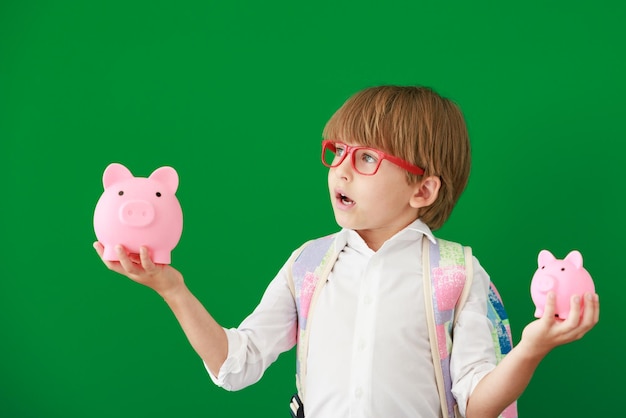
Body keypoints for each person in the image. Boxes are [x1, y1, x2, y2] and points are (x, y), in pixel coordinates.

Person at [93, 85, 600, 418]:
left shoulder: (458, 272)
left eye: (365, 158)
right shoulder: (308, 265)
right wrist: (172, 289)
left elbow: (477, 405)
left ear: (421, 190)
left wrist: (532, 348)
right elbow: (236, 365)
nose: (340, 169)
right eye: (336, 153)